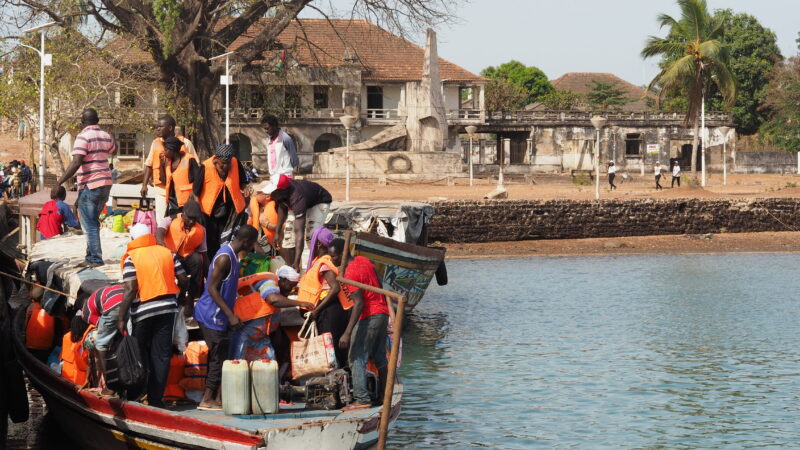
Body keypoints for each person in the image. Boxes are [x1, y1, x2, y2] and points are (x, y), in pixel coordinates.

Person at [117, 223, 189, 408]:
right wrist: (180, 297)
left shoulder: (131, 257)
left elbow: (130, 289)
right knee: (162, 355)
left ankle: (136, 397)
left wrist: (121, 317)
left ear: (133, 239)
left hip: (143, 312)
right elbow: (183, 279)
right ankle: (156, 400)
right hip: (167, 309)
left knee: (138, 354)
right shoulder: (168, 253)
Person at [193, 225, 258, 410]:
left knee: (222, 355)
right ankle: (206, 399)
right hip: (210, 315)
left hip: (221, 315)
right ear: (246, 242)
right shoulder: (224, 258)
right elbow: (212, 288)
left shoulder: (234, 257)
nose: (254, 247)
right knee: (218, 357)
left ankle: (217, 397)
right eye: (253, 243)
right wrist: (230, 315)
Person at [54, 108, 115, 268]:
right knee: (92, 221)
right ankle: (90, 256)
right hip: (106, 183)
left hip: (91, 184)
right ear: (98, 120)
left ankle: (95, 259)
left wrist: (59, 182)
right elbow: (111, 150)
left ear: (82, 121)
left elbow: (76, 162)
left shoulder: (82, 137)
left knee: (89, 223)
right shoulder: (107, 136)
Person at [230, 266, 313, 362]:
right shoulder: (269, 283)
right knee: (238, 366)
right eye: (290, 286)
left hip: (261, 338)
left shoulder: (279, 293)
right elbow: (273, 299)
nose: (290, 290)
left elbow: (272, 315)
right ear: (283, 280)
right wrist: (300, 303)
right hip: (244, 335)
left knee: (268, 367)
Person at [339, 255, 391, 410]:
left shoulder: (349, 273)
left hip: (370, 315)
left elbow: (359, 303)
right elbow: (381, 283)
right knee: (380, 356)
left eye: (335, 256)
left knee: (356, 357)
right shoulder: (363, 260)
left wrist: (347, 333)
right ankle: (385, 394)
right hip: (382, 312)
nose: (333, 259)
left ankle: (362, 399)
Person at [298, 231, 349, 365]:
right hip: (327, 308)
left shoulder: (325, 263)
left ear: (318, 243)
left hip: (329, 309)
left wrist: (317, 310)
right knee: (329, 347)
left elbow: (335, 288)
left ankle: (336, 377)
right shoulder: (320, 261)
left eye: (310, 239)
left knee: (330, 348)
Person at [192, 143, 248, 258]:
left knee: (227, 239)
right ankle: (212, 265)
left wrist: (245, 188)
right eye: (222, 164)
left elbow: (242, 181)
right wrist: (198, 212)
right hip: (209, 213)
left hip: (230, 210)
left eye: (228, 164)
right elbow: (195, 192)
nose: (226, 167)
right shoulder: (205, 167)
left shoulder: (235, 163)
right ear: (215, 161)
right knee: (211, 240)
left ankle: (225, 261)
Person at [270, 175, 332, 271]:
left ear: (281, 191)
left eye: (273, 190)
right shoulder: (281, 192)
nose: (271, 193)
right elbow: (282, 208)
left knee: (310, 236)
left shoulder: (296, 197)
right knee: (288, 237)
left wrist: (297, 260)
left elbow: (299, 232)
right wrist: (277, 233)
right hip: (304, 201)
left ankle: (307, 271)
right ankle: (291, 271)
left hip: (319, 202)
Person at [142, 115, 197, 219]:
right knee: (162, 220)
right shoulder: (155, 143)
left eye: (160, 126)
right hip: (161, 190)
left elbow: (196, 167)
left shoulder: (186, 143)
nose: (157, 129)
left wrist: (194, 191)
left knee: (181, 220)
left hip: (180, 192)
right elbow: (149, 164)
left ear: (170, 128)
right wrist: (144, 185)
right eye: (156, 126)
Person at [156, 200, 208, 302]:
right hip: (169, 259)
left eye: (195, 219)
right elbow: (159, 234)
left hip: (186, 260)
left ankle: (190, 298)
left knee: (198, 260)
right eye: (189, 218)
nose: (192, 222)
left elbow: (204, 255)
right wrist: (164, 247)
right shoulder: (169, 220)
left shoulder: (201, 230)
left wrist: (209, 277)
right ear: (183, 214)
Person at [81, 283, 124, 392]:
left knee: (101, 344)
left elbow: (103, 328)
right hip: (128, 298)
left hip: (115, 303)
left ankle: (109, 387)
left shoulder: (86, 314)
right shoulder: (100, 298)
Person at [161, 136, 199, 217]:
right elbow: (163, 180)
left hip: (187, 201)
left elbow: (198, 179)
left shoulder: (189, 159)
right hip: (172, 200)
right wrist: (161, 165)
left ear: (173, 150)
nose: (164, 152)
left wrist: (194, 193)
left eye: (166, 150)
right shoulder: (168, 162)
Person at [60, 314, 93, 386]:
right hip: (80, 381)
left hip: (66, 375)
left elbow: (61, 357)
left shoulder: (67, 336)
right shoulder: (85, 342)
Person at [248, 181, 280, 252]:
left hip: (271, 245)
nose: (255, 194)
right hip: (257, 243)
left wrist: (268, 225)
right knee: (254, 261)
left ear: (268, 196)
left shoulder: (277, 208)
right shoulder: (256, 205)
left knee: (270, 261)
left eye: (259, 193)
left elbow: (286, 227)